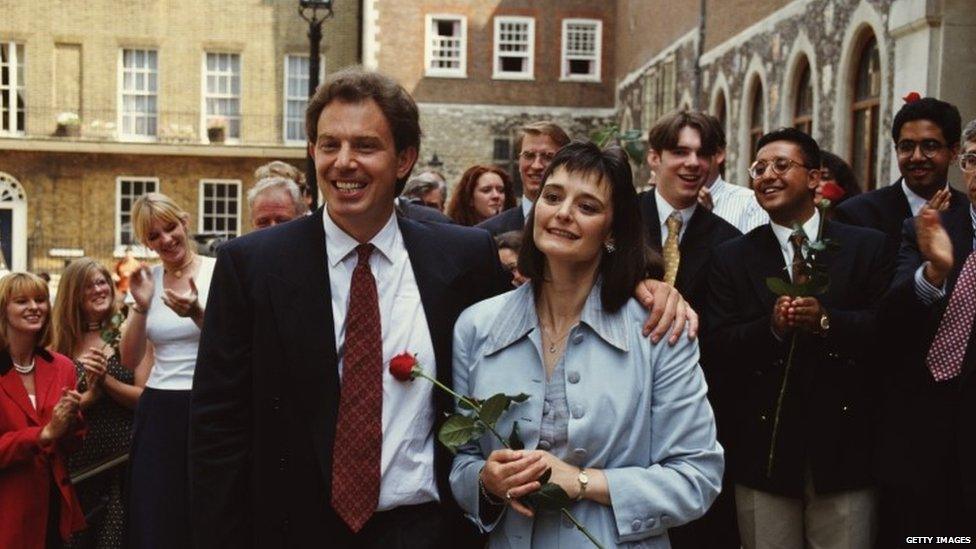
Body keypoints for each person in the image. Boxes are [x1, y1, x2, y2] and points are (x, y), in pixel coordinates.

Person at [189, 67, 695, 548]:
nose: (345, 162)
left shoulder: (462, 258)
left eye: (366, 145)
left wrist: (641, 287)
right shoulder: (250, 266)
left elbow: (545, 302)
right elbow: (217, 431)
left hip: (428, 531)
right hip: (292, 533)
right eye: (330, 145)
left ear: (404, 159)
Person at [450, 141, 723, 548]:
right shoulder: (476, 327)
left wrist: (582, 482)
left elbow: (697, 477)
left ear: (612, 229)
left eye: (588, 206)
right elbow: (462, 459)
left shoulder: (657, 330)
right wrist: (485, 482)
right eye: (553, 196)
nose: (563, 213)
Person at [706, 128, 891, 549]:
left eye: (781, 165)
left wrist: (828, 322)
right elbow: (716, 346)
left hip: (843, 451)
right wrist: (770, 327)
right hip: (764, 453)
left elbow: (887, 334)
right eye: (758, 168)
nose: (766, 175)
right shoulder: (732, 256)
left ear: (814, 177)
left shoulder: (866, 248)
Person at [640, 110, 741, 549]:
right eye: (679, 151)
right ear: (654, 158)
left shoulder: (730, 241)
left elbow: (722, 332)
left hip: (690, 410)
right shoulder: (616, 220)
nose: (692, 163)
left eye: (702, 153)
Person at [874, 118, 976, 545]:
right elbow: (892, 313)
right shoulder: (932, 226)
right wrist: (933, 270)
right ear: (962, 164)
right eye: (974, 160)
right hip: (923, 426)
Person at [119, 193, 216, 548]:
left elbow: (234, 347)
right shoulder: (148, 280)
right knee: (157, 511)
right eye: (154, 236)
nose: (166, 240)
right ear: (146, 242)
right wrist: (141, 308)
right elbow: (130, 359)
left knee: (203, 507)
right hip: (159, 408)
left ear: (185, 223)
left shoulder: (217, 270)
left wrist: (197, 314)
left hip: (208, 405)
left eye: (170, 228)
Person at [52, 258, 147, 548]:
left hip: (122, 463)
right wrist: (88, 399)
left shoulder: (125, 330)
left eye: (102, 281)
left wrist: (106, 380)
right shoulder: (58, 340)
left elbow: (145, 399)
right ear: (72, 294)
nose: (98, 289)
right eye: (88, 285)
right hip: (77, 470)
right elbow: (49, 409)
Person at [0, 272, 87, 548]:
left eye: (40, 300)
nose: (34, 307)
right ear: (4, 310)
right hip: (8, 510)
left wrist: (72, 420)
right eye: (22, 301)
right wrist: (44, 433)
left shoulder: (62, 366)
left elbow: (74, 442)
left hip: (54, 508)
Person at [835, 96, 964, 261]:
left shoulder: (970, 212)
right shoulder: (857, 215)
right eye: (907, 147)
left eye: (930, 146)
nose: (917, 157)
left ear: (954, 153)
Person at [477, 121, 571, 236]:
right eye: (529, 155)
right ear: (519, 161)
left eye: (548, 157)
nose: (536, 165)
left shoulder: (575, 229)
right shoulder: (486, 234)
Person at [696, 113, 768, 233]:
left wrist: (707, 221)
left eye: (700, 153)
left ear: (718, 154)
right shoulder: (666, 204)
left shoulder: (750, 205)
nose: (690, 162)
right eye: (681, 153)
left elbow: (752, 251)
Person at [447, 165, 517, 226]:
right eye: (486, 190)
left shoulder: (517, 235)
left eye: (501, 190)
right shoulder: (455, 235)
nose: (496, 196)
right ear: (470, 198)